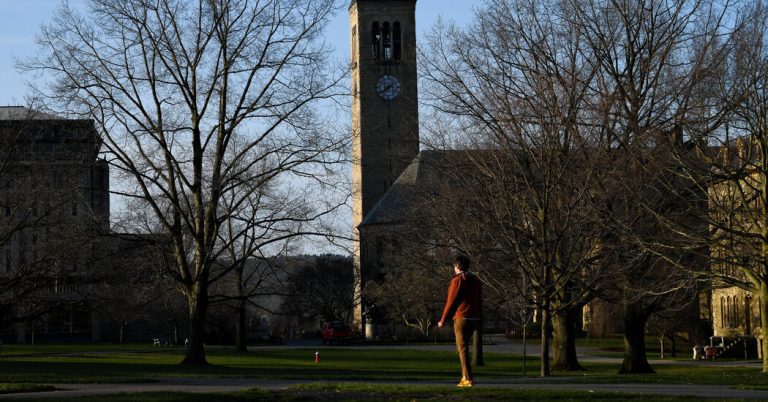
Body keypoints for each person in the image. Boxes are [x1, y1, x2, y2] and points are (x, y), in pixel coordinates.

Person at [438, 255, 482, 388]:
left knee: (462, 348)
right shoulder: (475, 279)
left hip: (461, 317)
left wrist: (443, 320)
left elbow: (451, 302)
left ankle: (467, 378)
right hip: (474, 317)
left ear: (457, 266)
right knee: (461, 348)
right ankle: (464, 376)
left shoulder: (458, 280)